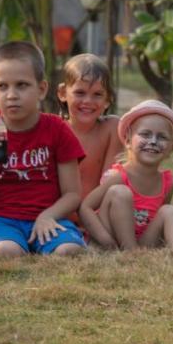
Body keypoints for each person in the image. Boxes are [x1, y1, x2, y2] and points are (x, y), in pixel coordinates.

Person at [0, 41, 86, 258]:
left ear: (41, 89)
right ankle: (15, 245)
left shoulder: (57, 129)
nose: (11, 95)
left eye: (21, 85)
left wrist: (47, 216)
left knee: (69, 251)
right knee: (6, 251)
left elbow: (73, 194)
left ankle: (43, 244)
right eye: (2, 86)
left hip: (48, 218)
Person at [83, 100, 173, 252]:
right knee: (119, 192)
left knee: (170, 211)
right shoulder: (119, 176)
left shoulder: (167, 182)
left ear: (171, 148)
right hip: (112, 240)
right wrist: (104, 238)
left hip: (142, 243)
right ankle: (130, 252)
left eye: (162, 137)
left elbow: (158, 221)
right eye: (145, 134)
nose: (153, 141)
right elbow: (85, 207)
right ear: (127, 140)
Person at [56, 54, 123, 248]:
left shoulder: (112, 128)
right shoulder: (53, 129)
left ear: (108, 99)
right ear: (62, 93)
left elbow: (109, 182)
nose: (88, 101)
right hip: (59, 216)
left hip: (98, 217)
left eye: (97, 94)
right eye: (80, 93)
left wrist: (91, 221)